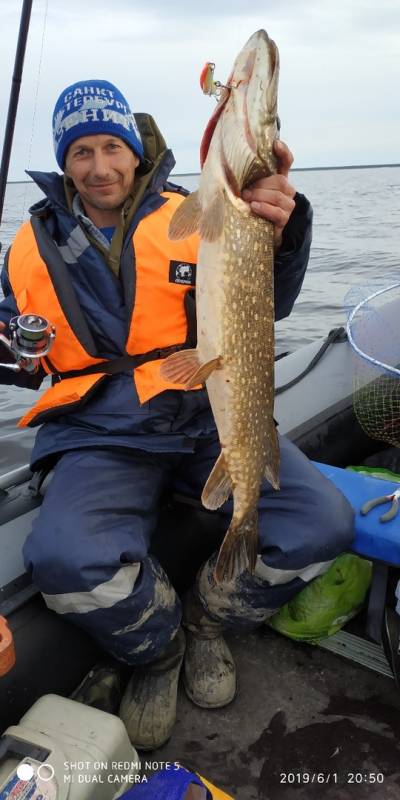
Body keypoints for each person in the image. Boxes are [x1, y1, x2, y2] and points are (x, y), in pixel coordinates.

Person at [0, 80, 354, 751]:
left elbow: (267, 301)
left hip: (205, 415)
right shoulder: (25, 248)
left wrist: (286, 223)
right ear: (62, 162)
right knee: (65, 558)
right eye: (81, 152)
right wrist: (9, 347)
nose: (99, 166)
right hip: (100, 429)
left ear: (136, 150)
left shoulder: (204, 213)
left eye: (111, 146)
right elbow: (18, 358)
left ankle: (208, 620)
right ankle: (158, 650)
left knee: (323, 522)